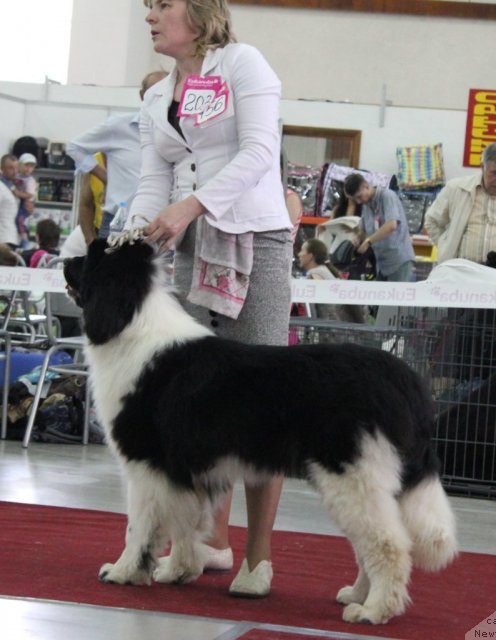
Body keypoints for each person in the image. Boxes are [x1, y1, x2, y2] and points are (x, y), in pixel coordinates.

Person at [127, 0, 293, 598]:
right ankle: (198, 542)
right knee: (189, 403)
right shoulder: (154, 97)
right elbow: (153, 178)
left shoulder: (244, 64)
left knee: (263, 400)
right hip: (186, 247)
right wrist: (128, 239)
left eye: (160, 5)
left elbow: (257, 153)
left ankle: (257, 555)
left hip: (256, 241)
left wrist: (191, 204)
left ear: (197, 14)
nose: (148, 16)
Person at [66, 71, 167, 238]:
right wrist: (103, 175)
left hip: (159, 224)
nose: (160, 96)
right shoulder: (119, 126)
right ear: (142, 95)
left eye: (165, 90)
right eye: (154, 91)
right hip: (118, 222)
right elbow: (74, 147)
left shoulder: (178, 131)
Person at [424, 142, 496, 264]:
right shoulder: (456, 188)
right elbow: (432, 221)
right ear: (482, 167)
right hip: (460, 272)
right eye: (495, 173)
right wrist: (446, 245)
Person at [343, 173, 416, 282]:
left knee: (398, 297)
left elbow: (391, 225)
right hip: (381, 265)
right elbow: (363, 231)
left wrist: (368, 241)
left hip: (400, 263)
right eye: (354, 199)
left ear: (366, 186)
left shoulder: (387, 196)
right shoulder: (366, 205)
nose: (358, 201)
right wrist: (358, 238)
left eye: (359, 196)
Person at [298, 238, 367, 323]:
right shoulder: (323, 271)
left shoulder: (316, 274)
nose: (299, 254)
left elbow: (325, 307)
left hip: (332, 326)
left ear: (310, 256)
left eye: (302, 251)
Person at [0, 154, 27, 248]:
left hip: (12, 236)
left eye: (16, 168)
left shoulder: (13, 186)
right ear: (2, 168)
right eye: (11, 168)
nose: (15, 171)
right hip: (3, 238)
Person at [15, 152, 38, 248]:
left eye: (31, 166)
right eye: (26, 165)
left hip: (26, 203)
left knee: (20, 220)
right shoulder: (17, 176)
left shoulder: (30, 180)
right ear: (19, 165)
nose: (28, 168)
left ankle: (25, 240)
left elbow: (30, 194)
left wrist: (17, 193)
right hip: (19, 203)